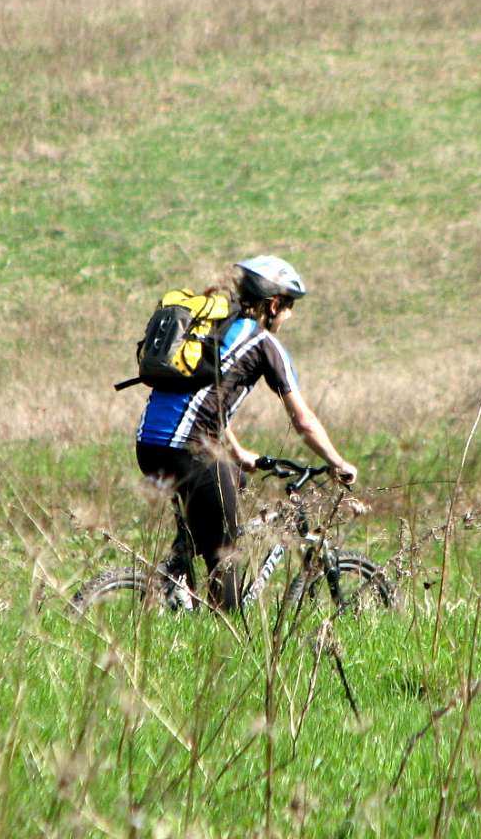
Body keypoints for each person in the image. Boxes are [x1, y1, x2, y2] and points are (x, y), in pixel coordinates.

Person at [133, 255, 357, 610]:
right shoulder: (263, 343)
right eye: (289, 306)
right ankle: (222, 626)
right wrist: (337, 461)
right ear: (272, 304)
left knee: (232, 480)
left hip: (149, 445)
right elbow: (303, 420)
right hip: (189, 450)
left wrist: (237, 453)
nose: (290, 315)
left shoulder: (214, 329)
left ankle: (180, 573)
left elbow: (208, 401)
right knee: (228, 558)